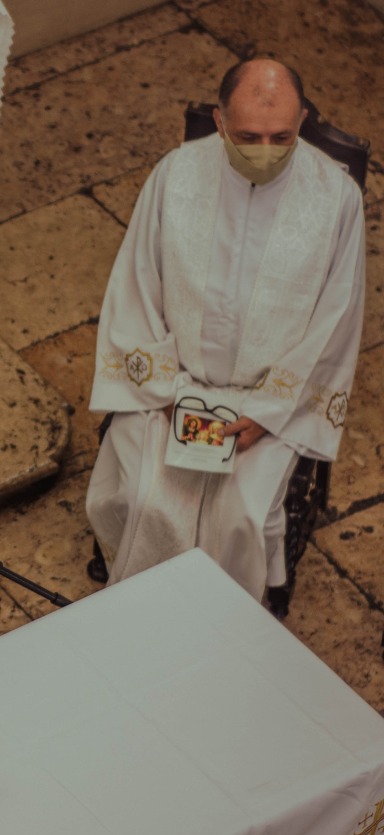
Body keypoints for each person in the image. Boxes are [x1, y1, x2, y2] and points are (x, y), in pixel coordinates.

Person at [85, 58, 366, 602]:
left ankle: (230, 615)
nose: (265, 148)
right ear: (218, 122)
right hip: (176, 384)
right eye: (248, 136)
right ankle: (137, 604)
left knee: (241, 514)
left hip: (270, 400)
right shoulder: (175, 175)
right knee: (143, 497)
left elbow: (337, 317)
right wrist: (165, 393)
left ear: (303, 120)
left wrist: (267, 412)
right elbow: (137, 282)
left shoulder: (338, 201)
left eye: (282, 136)